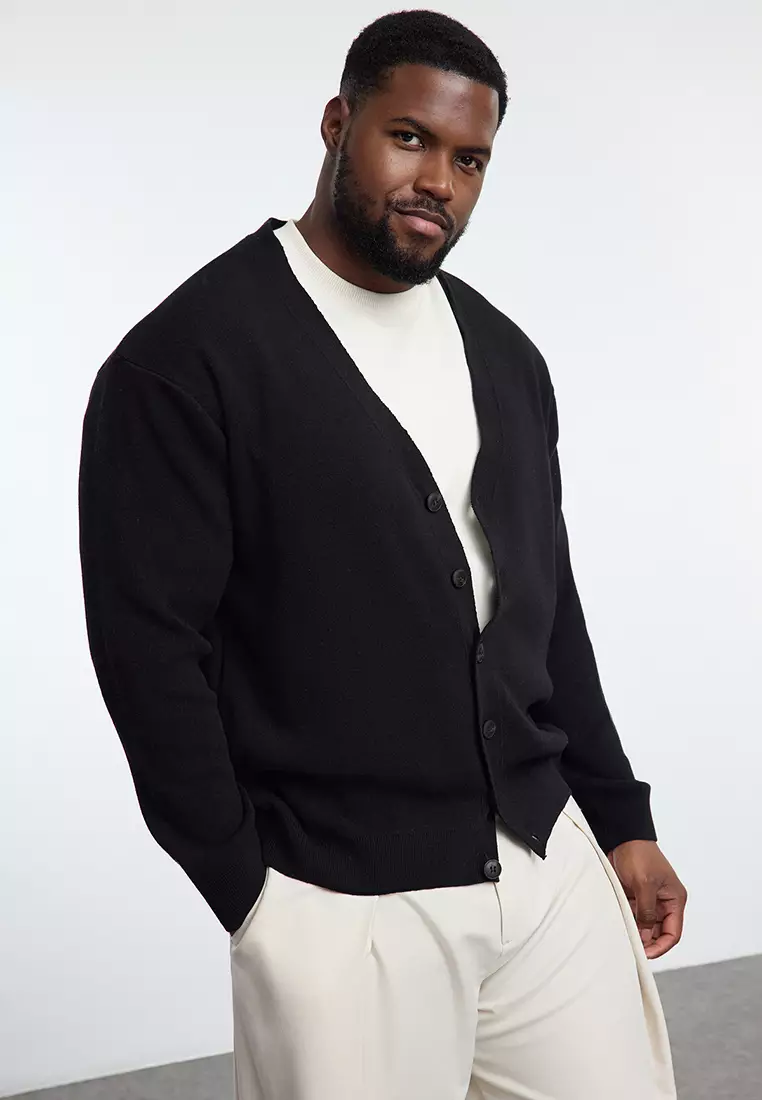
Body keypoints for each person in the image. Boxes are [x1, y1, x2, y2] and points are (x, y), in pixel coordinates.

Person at [78, 9, 687, 1099]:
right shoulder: (187, 362)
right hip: (340, 900)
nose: (437, 181)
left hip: (543, 865)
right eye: (409, 137)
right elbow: (150, 652)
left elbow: (543, 607)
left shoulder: (504, 355)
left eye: (469, 159)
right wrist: (252, 894)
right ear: (337, 122)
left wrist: (619, 818)